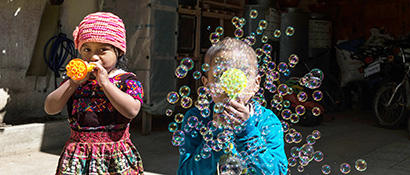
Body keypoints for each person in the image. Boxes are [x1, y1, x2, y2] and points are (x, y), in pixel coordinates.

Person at [44, 12, 144, 174]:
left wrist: (105, 83)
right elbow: (50, 108)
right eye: (87, 49)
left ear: (118, 51)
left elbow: (132, 110)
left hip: (114, 155)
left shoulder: (127, 80)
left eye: (103, 50)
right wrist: (72, 83)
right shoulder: (75, 81)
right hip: (79, 156)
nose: (94, 57)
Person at [177, 37, 288, 175]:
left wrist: (246, 132)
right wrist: (216, 135)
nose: (230, 84)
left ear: (256, 83)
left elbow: (277, 172)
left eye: (242, 73)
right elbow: (186, 172)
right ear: (206, 84)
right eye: (220, 75)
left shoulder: (267, 121)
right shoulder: (196, 118)